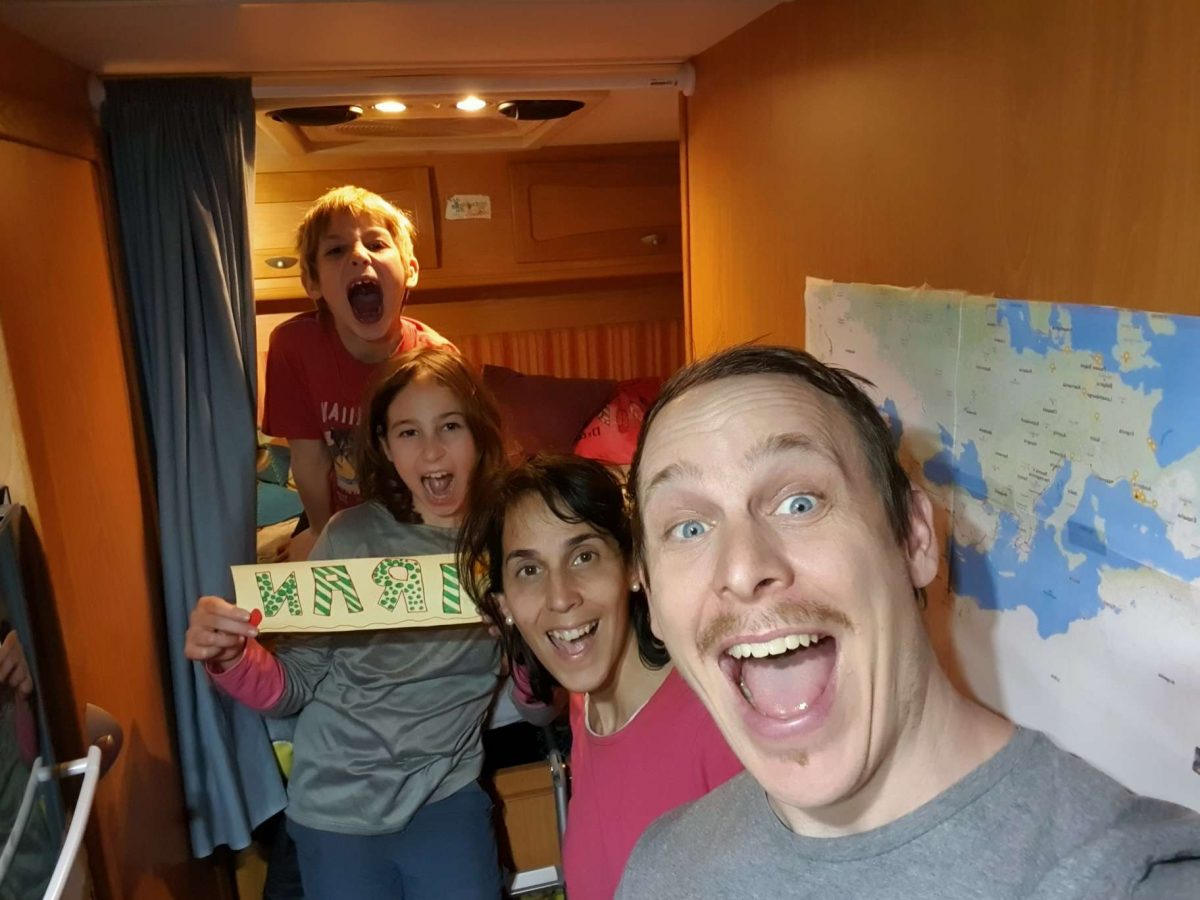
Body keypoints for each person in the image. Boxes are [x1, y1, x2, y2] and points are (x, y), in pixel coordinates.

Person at [617, 344, 1200, 898]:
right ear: (655, 605)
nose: (743, 569)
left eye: (801, 502)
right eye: (688, 528)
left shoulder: (1130, 876)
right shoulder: (662, 865)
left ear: (914, 537)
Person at [185, 348, 505, 900]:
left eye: (450, 426)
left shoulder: (509, 542)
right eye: (408, 432)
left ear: (478, 433)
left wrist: (519, 641)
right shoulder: (351, 536)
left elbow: (539, 699)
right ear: (384, 445)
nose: (432, 450)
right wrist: (231, 658)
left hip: (446, 798)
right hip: (336, 805)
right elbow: (292, 685)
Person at [458, 455, 742, 900]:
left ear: (632, 567)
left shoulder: (717, 723)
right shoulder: (586, 708)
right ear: (505, 604)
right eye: (529, 570)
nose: (560, 597)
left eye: (583, 556)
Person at [262, 185, 452, 559]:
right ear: (312, 283)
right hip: (334, 516)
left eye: (376, 244)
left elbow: (445, 467)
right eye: (336, 250)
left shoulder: (436, 358)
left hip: (413, 516)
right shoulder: (294, 347)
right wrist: (322, 535)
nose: (359, 256)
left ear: (410, 270)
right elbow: (310, 460)